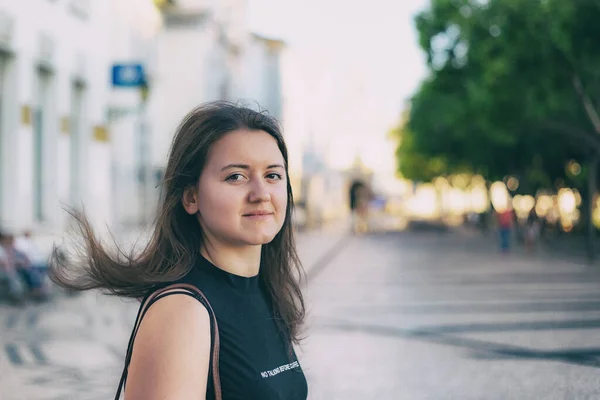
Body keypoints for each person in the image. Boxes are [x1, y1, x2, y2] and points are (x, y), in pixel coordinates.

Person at [49, 102, 308, 399]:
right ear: (191, 197)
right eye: (236, 176)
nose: (261, 194)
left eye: (273, 175)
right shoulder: (183, 313)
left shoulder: (266, 292)